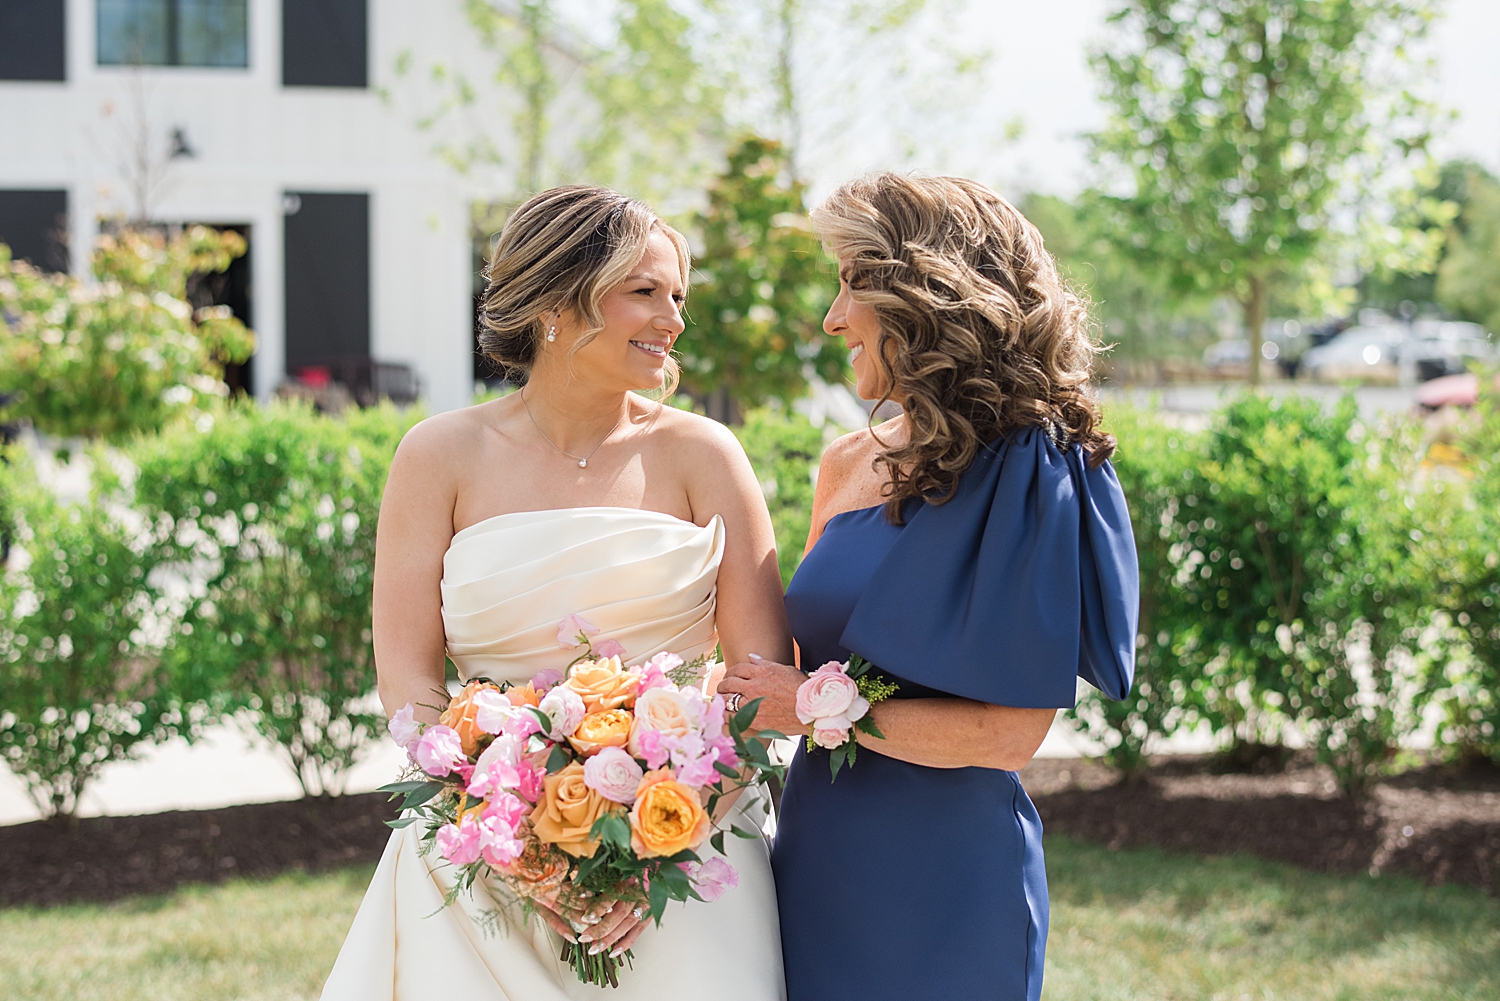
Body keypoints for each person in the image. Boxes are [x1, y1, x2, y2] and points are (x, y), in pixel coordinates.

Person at [321, 185, 792, 1001]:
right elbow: (407, 676)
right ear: (553, 300)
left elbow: (759, 681)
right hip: (479, 862)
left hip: (689, 860)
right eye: (643, 291)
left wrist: (665, 839)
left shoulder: (705, 454)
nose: (672, 318)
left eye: (677, 295)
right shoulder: (437, 456)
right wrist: (512, 839)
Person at [718, 173, 1139, 1001]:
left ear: (923, 293)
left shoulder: (1032, 468)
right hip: (815, 855)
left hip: (949, 881)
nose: (833, 318)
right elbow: (784, 663)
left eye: (851, 283)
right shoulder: (844, 462)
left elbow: (1007, 735)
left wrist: (809, 706)